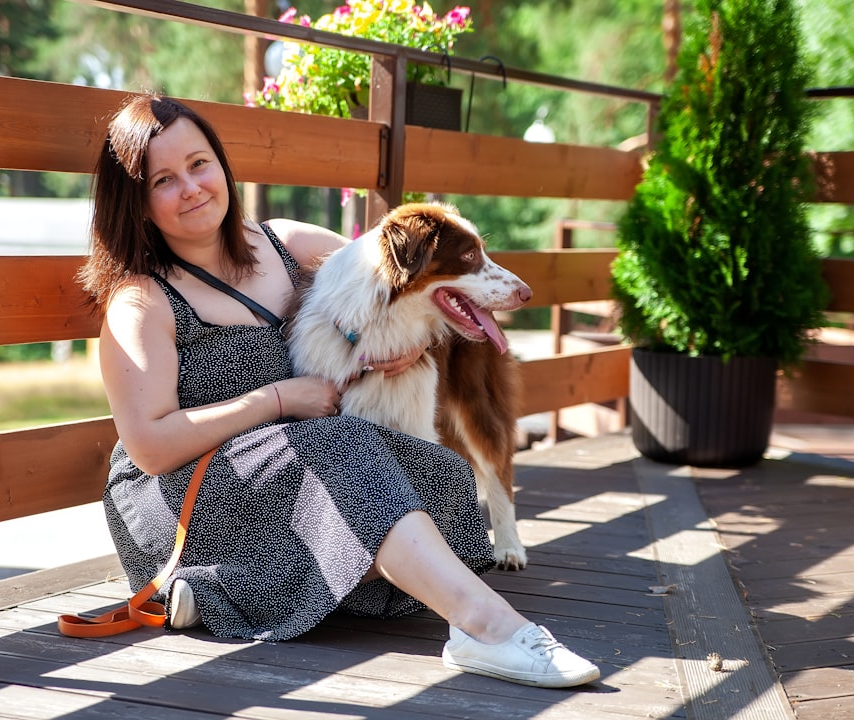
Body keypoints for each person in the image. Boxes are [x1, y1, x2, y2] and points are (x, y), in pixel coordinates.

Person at [78, 93, 600, 689]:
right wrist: (278, 399)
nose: (191, 187)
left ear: (222, 165)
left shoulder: (289, 245)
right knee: (345, 453)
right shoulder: (141, 301)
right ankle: (488, 627)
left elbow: (398, 288)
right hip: (191, 494)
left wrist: (412, 347)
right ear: (138, 203)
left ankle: (226, 589)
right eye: (163, 180)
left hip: (293, 471)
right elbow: (148, 445)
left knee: (440, 479)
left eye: (199, 164)